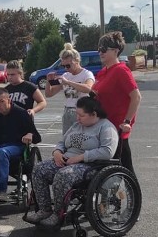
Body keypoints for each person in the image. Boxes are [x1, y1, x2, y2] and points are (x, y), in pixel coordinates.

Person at [26, 96, 118, 227]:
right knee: (39, 169)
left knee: (64, 175)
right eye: (77, 114)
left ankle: (58, 214)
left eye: (82, 115)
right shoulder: (77, 125)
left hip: (90, 166)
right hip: (67, 161)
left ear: (94, 114)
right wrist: (57, 152)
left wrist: (81, 157)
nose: (77, 118)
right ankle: (44, 210)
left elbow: (107, 152)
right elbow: (62, 142)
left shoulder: (106, 127)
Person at [91, 31, 141, 174]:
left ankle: (134, 195)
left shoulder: (121, 71)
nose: (100, 52)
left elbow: (136, 97)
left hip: (117, 129)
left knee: (124, 169)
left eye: (104, 49)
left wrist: (127, 121)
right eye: (99, 49)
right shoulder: (103, 72)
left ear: (116, 51)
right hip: (102, 127)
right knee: (107, 169)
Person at [0, 88, 41, 203]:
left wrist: (30, 134)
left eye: (1, 101)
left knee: (1, 152)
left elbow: (37, 137)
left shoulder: (21, 113)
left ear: (8, 100)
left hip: (17, 146)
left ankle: (2, 190)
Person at [45, 43, 96, 133]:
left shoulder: (86, 74)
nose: (66, 69)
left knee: (81, 138)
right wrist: (48, 82)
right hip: (68, 111)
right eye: (63, 66)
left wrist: (68, 82)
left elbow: (88, 88)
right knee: (67, 138)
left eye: (68, 65)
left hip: (82, 112)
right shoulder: (66, 75)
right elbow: (49, 94)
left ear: (77, 61)